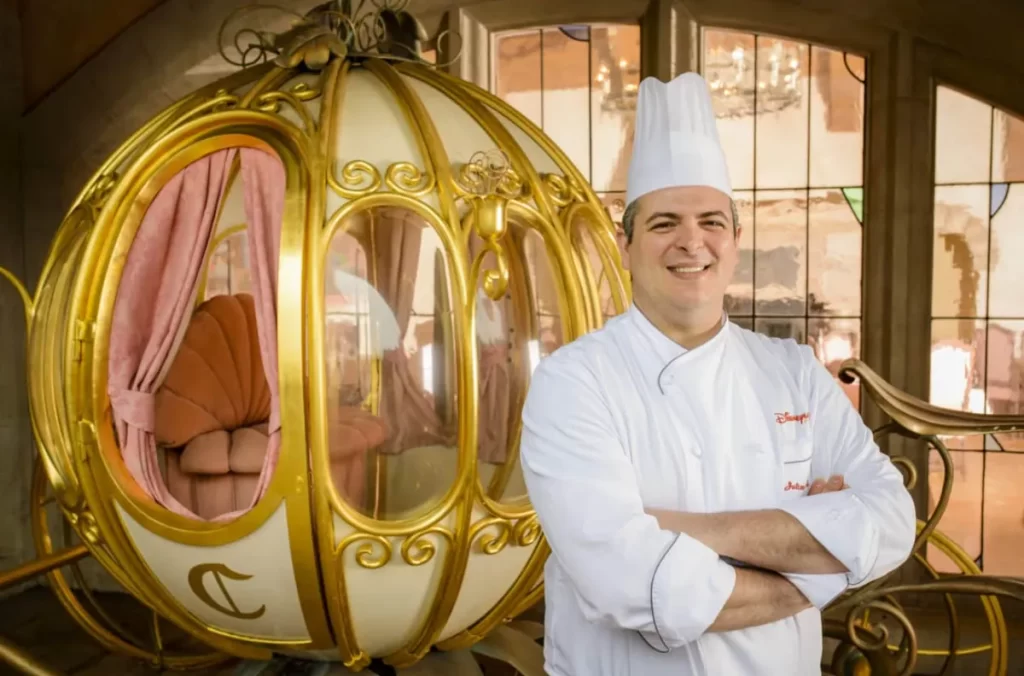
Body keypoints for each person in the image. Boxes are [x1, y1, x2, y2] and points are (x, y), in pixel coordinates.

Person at [518, 72, 916, 675]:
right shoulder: (572, 383)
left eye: (710, 220)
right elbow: (629, 581)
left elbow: (890, 521)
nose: (691, 241)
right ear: (625, 246)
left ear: (734, 238)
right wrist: (819, 566)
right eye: (663, 223)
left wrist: (677, 529)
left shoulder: (794, 373)